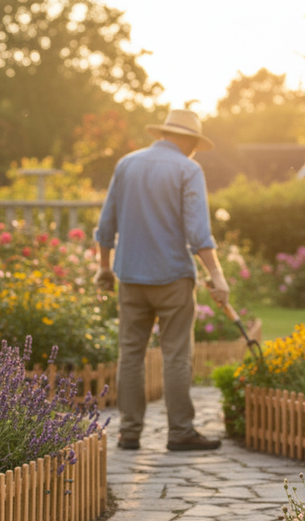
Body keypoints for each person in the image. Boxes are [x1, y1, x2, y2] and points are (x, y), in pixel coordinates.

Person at [94, 109, 231, 451]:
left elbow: (106, 224)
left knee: (130, 354)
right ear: (185, 139)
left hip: (131, 278)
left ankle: (129, 432)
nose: (195, 150)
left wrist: (104, 268)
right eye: (195, 143)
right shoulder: (188, 169)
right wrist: (217, 275)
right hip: (172, 278)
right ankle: (180, 431)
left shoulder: (127, 164)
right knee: (176, 356)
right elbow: (199, 232)